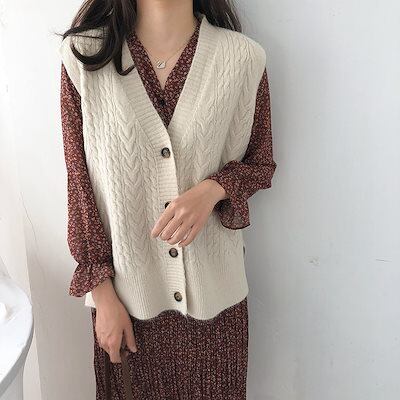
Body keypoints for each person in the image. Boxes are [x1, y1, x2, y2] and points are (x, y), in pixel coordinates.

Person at [59, 0, 277, 398]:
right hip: (125, 305)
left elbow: (260, 163)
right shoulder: (86, 57)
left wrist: (213, 189)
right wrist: (101, 293)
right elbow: (79, 185)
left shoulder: (243, 58)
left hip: (215, 309)